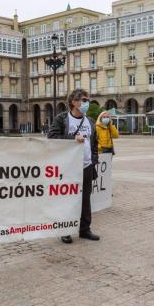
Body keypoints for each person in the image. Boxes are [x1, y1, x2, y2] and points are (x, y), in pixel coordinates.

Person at [48, 89, 100, 244]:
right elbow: (52, 137)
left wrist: (94, 160)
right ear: (73, 102)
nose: (87, 103)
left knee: (85, 199)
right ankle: (66, 230)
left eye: (87, 100)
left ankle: (85, 229)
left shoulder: (90, 121)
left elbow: (94, 143)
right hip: (68, 167)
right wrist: (72, 138)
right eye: (84, 100)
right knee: (67, 199)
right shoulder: (62, 119)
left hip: (86, 166)